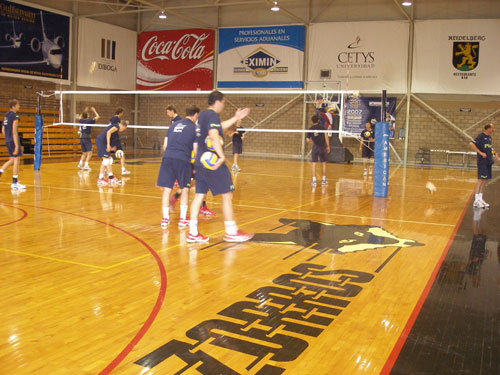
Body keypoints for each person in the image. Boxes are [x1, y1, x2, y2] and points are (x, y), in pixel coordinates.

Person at [187, 90, 252, 243]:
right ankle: (231, 231)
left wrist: (235, 118)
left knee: (199, 195)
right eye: (224, 102)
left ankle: (193, 232)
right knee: (227, 194)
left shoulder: (203, 115)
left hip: (201, 161)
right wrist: (222, 156)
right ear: (219, 101)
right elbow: (214, 135)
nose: (224, 105)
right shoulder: (211, 116)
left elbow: (218, 127)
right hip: (213, 162)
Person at [157, 106, 200, 228]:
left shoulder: (173, 125)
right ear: (196, 115)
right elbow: (196, 150)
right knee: (185, 189)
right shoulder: (194, 128)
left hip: (167, 158)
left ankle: (165, 219)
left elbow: (165, 146)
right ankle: (182, 220)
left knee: (166, 189)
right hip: (182, 159)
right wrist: (196, 164)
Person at [96, 110, 128, 186]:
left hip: (103, 142)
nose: (123, 131)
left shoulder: (116, 129)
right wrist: (108, 145)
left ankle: (111, 178)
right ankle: (100, 179)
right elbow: (108, 132)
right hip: (101, 142)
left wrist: (112, 148)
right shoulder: (116, 126)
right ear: (122, 126)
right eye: (124, 129)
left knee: (109, 159)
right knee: (106, 160)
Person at [469, 123, 498, 208]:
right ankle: (476, 201)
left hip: (488, 161)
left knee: (485, 180)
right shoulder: (481, 136)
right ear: (488, 128)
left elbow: (490, 147)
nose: (493, 130)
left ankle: (480, 199)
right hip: (482, 162)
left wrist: (495, 153)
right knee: (480, 180)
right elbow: (471, 144)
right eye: (492, 128)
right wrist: (480, 152)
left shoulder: (489, 137)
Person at [0, 99, 25, 191]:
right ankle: (14, 182)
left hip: (7, 139)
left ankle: (0, 171)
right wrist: (17, 145)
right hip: (13, 140)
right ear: (13, 106)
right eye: (18, 105)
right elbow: (14, 132)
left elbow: (3, 130)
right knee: (16, 160)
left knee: (11, 159)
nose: (19, 106)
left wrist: (8, 139)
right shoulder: (15, 116)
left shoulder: (6, 115)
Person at [306, 115, 330, 186]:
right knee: (324, 163)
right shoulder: (323, 128)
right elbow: (326, 137)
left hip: (315, 147)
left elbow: (307, 140)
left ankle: (314, 180)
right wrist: (328, 146)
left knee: (314, 163)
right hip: (322, 147)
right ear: (318, 120)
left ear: (312, 121)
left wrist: (312, 139)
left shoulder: (310, 129)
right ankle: (323, 179)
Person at [77, 106, 99, 171]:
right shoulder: (89, 121)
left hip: (81, 138)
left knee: (84, 152)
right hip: (86, 138)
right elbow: (98, 117)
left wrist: (85, 110)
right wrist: (94, 111)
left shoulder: (81, 120)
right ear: (87, 116)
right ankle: (86, 165)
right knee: (90, 152)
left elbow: (80, 116)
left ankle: (80, 164)